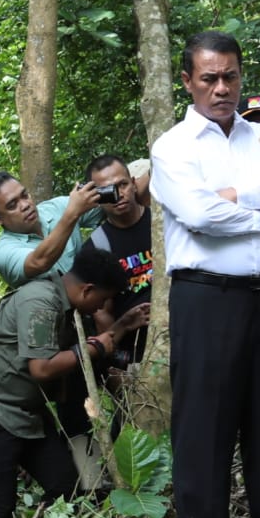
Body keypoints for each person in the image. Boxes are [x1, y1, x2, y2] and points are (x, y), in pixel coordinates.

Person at [149, 30, 260, 518]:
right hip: (207, 298)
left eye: (230, 77)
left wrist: (238, 196)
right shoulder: (173, 147)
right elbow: (200, 216)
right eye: (209, 78)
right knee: (204, 423)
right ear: (187, 82)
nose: (222, 89)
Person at [0, 244, 148, 518]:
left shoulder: (66, 305)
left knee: (64, 485)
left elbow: (80, 349)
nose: (99, 309)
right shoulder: (41, 302)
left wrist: (121, 327)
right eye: (102, 300)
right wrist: (96, 347)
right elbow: (43, 367)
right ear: (87, 290)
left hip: (28, 413)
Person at [0, 172, 103, 288]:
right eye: (12, 205)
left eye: (25, 195)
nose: (25, 205)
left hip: (94, 293)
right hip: (56, 309)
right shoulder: (4, 252)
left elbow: (106, 206)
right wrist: (72, 214)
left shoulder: (56, 208)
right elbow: (39, 262)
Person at [84, 154, 152, 365]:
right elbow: (102, 314)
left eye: (122, 184)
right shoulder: (97, 247)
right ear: (96, 197)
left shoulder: (163, 220)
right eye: (107, 191)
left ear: (133, 184)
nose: (118, 194)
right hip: (139, 351)